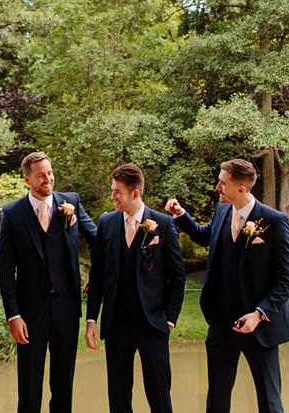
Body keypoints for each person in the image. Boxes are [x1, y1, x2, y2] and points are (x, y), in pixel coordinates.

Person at [165, 159, 289, 413]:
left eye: (223, 183)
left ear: (242, 189)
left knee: (269, 401)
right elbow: (205, 235)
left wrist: (259, 314)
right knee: (217, 397)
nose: (217, 187)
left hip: (260, 327)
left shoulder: (275, 221)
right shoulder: (223, 210)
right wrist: (181, 215)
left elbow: (287, 279)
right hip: (221, 323)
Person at [0, 151, 97, 413]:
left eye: (50, 173)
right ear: (27, 179)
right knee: (29, 385)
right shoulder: (12, 214)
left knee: (64, 383)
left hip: (66, 307)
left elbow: (99, 240)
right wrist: (13, 315)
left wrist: (96, 274)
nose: (48, 179)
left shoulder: (71, 202)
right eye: (41, 175)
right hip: (30, 312)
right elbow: (6, 269)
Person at [85, 163, 185, 413]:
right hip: (116, 324)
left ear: (135, 193)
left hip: (153, 324)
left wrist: (170, 319)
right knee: (118, 398)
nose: (112, 197)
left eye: (117, 191)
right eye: (112, 190)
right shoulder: (106, 223)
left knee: (159, 396)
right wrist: (91, 319)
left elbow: (178, 276)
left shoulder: (162, 224)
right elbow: (97, 275)